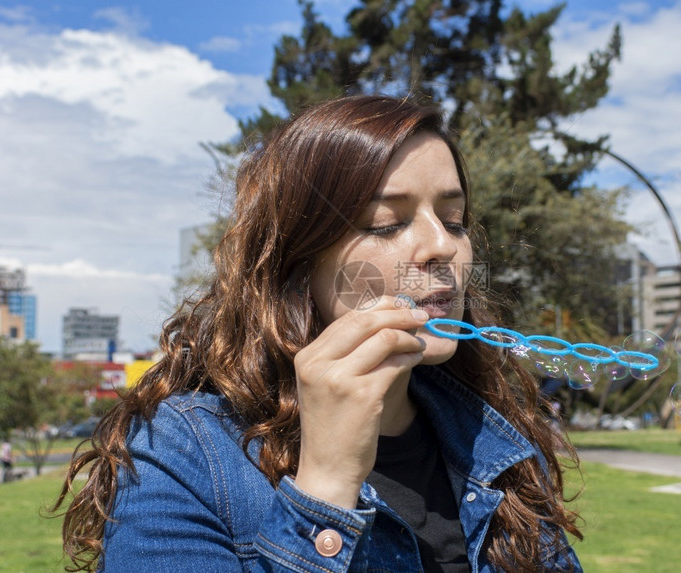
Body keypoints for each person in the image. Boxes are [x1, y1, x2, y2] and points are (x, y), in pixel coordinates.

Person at [54, 95, 584, 572]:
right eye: (385, 223)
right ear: (298, 261)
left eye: (454, 218)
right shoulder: (185, 452)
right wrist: (326, 489)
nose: (441, 246)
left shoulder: (495, 437)